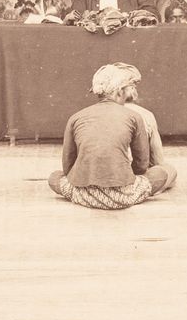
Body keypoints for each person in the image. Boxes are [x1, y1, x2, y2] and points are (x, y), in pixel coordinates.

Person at [48, 64, 177, 210]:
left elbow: (67, 166)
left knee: (54, 177)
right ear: (120, 92)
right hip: (124, 196)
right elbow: (141, 165)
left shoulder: (76, 117)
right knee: (162, 172)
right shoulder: (135, 117)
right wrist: (124, 176)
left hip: (82, 195)